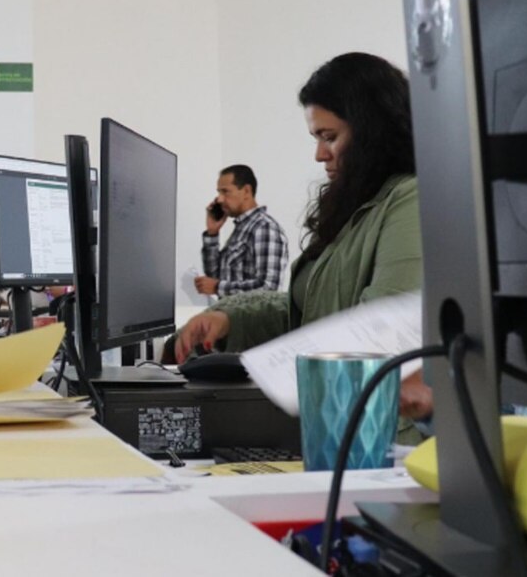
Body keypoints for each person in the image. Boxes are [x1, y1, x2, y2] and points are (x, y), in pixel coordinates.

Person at [167, 52, 432, 422]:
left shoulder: (411, 200)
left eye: (330, 137)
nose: (319, 154)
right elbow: (308, 313)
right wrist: (230, 319)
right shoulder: (357, 208)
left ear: (374, 131)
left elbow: (380, 334)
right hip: (339, 421)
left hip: (380, 435)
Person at [195, 164, 289, 297]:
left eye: (225, 191)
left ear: (246, 191)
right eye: (218, 192)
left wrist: (217, 287)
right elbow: (215, 276)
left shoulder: (264, 228)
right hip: (229, 314)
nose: (220, 199)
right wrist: (212, 233)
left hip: (250, 318)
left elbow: (268, 289)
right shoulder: (242, 228)